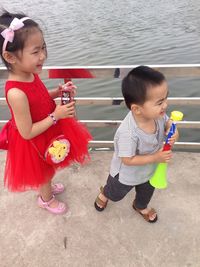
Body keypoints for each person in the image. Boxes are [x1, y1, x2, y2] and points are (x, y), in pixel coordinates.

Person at [0, 10, 92, 215]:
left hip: (46, 129)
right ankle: (45, 198)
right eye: (35, 52)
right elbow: (27, 132)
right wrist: (56, 116)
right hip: (33, 140)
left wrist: (57, 92)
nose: (43, 56)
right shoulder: (15, 92)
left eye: (43, 48)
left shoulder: (30, 73)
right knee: (42, 171)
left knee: (49, 166)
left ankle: (47, 186)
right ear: (10, 57)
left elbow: (39, 97)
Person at [94, 66, 179, 223]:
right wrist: (156, 157)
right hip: (126, 174)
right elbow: (128, 160)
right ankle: (104, 194)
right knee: (115, 193)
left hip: (150, 170)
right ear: (137, 109)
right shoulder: (128, 133)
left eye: (166, 98)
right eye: (160, 102)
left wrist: (172, 132)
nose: (165, 105)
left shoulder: (157, 114)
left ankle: (140, 206)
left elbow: (169, 122)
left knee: (146, 192)